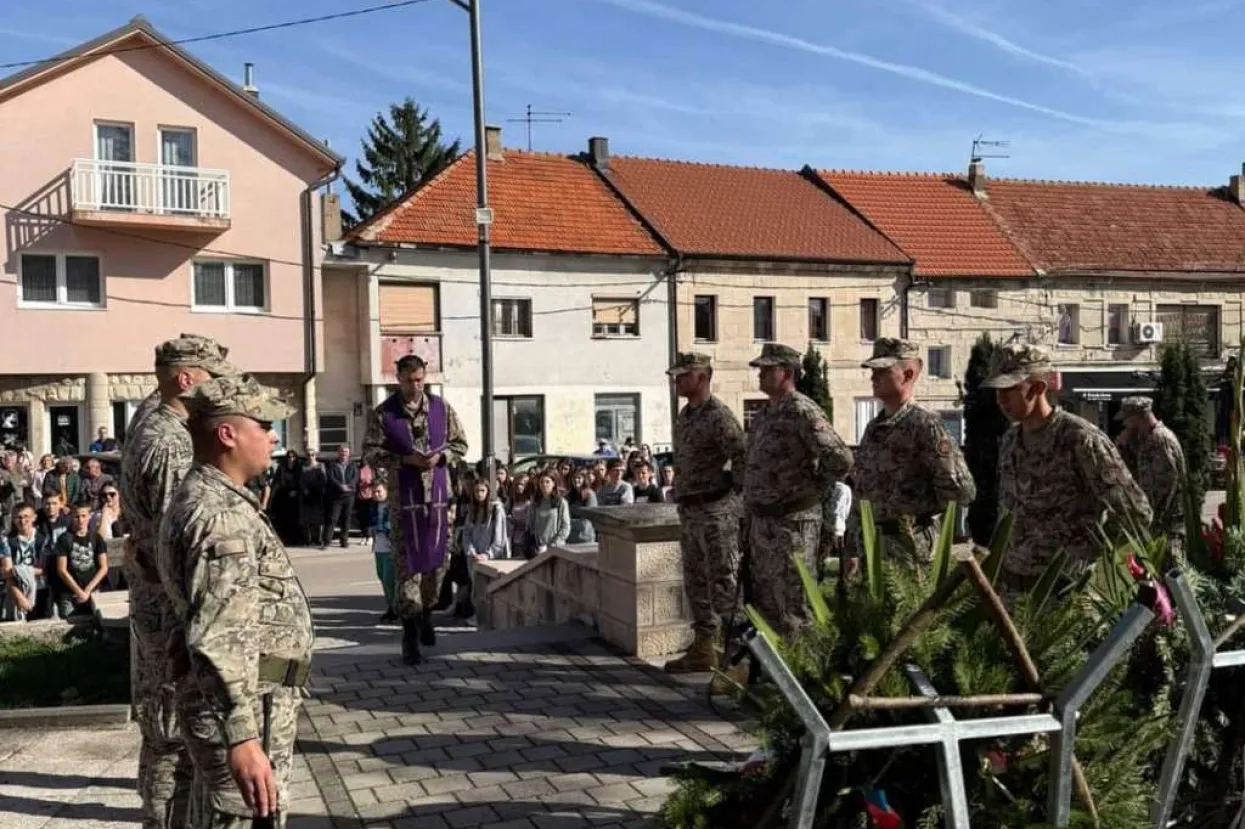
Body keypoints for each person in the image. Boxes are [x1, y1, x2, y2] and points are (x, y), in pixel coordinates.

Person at [157, 374, 310, 829]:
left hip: (245, 705)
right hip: (245, 712)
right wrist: (241, 738)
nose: (273, 435)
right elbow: (218, 635)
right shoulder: (219, 516)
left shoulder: (212, 498)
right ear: (227, 434)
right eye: (262, 424)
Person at [121, 333, 235, 829]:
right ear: (186, 380)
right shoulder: (168, 440)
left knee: (163, 729)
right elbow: (177, 539)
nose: (218, 389)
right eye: (212, 378)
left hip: (154, 601)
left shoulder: (153, 413)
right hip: (169, 610)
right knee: (172, 734)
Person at [982, 343, 1151, 593]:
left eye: (1010, 389)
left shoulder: (1080, 438)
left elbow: (1136, 512)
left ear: (1038, 387)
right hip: (1015, 584)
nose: (1001, 400)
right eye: (997, 391)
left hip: (1066, 587)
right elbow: (1008, 510)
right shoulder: (1010, 440)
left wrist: (1090, 552)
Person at [362, 354, 468, 667]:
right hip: (402, 502)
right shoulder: (384, 413)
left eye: (419, 378)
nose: (415, 385)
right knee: (407, 567)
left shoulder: (441, 408)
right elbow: (370, 452)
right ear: (399, 379)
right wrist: (403, 460)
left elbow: (461, 445)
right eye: (409, 379)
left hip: (436, 501)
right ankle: (409, 635)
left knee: (436, 566)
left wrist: (442, 457)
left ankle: (426, 613)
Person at [743, 343, 853, 636]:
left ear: (788, 372)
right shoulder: (765, 414)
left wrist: (814, 489)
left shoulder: (802, 410)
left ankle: (804, 672)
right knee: (767, 602)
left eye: (768, 369)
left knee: (795, 604)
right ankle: (772, 675)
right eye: (761, 369)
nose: (761, 375)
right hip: (764, 523)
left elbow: (840, 459)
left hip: (794, 524)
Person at [852, 338, 976, 566]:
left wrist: (921, 511)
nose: (873, 377)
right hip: (872, 544)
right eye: (873, 371)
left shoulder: (925, 425)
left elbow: (961, 490)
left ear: (908, 374)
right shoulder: (874, 428)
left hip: (910, 545)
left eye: (882, 371)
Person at [662, 352, 748, 675]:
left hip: (716, 513)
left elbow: (742, 456)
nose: (678, 381)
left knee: (724, 585)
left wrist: (731, 493)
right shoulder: (686, 416)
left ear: (702, 377)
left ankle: (737, 660)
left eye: (684, 375)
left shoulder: (719, 416)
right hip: (691, 511)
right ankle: (704, 648)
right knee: (696, 583)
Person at [1116, 396, 1187, 551]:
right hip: (1161, 522)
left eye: (1127, 420)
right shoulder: (1149, 439)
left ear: (1137, 417)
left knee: (1170, 571)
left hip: (1168, 524)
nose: (1125, 425)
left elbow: (1167, 484)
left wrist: (1155, 519)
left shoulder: (1159, 440)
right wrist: (1123, 446)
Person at [54, 502, 109, 618]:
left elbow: (103, 567)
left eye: (84, 516)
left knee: (100, 619)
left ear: (90, 516)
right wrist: (79, 591)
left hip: (93, 590)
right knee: (68, 619)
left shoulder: (96, 538)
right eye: (77, 516)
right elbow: (62, 570)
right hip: (70, 591)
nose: (80, 520)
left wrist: (88, 590)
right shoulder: (64, 539)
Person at [2, 505, 42, 621]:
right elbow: (7, 572)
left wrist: (20, 570)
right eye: (18, 517)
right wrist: (20, 597)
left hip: (40, 586)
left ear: (34, 517)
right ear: (13, 519)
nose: (22, 521)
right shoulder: (7, 541)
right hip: (15, 587)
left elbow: (46, 568)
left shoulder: (42, 538)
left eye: (26, 517)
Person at [322, 445, 358, 549]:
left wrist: (349, 486)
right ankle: (327, 541)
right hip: (336, 495)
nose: (344, 453)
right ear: (338, 453)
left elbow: (355, 477)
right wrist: (340, 486)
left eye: (346, 452)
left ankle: (344, 541)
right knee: (332, 518)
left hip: (349, 495)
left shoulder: (353, 465)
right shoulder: (332, 465)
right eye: (342, 451)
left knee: (346, 519)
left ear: (349, 453)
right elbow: (331, 478)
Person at [372, 483, 397, 623]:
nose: (377, 494)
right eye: (374, 492)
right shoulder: (374, 507)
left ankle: (394, 608)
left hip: (389, 547)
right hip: (378, 547)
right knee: (381, 576)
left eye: (379, 491)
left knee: (389, 579)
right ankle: (390, 606)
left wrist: (384, 529)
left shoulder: (392, 506)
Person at [528, 472, 570, 556]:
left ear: (553, 483)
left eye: (547, 481)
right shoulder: (535, 502)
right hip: (539, 548)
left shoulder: (561, 502)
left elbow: (565, 526)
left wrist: (555, 543)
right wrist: (537, 543)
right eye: (541, 482)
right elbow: (531, 524)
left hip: (557, 547)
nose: (544, 484)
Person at [270, 450, 304, 546]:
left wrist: (296, 491)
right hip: (283, 496)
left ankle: (296, 540)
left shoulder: (299, 468)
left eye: (293, 457)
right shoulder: (282, 468)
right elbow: (277, 482)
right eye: (289, 457)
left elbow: (301, 481)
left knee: (294, 519)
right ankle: (285, 540)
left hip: (295, 497)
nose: (291, 459)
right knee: (283, 519)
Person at [301, 454, 328, 548]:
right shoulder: (304, 466)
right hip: (307, 494)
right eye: (308, 455)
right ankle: (308, 539)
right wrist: (304, 489)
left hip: (318, 494)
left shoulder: (321, 466)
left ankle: (319, 539)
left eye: (312, 454)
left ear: (315, 455)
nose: (310, 456)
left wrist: (320, 490)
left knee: (319, 518)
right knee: (307, 518)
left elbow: (324, 480)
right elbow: (301, 480)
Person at [566, 471, 597, 545]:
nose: (576, 480)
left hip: (585, 537)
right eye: (574, 478)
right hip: (570, 538)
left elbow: (586, 523)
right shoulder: (569, 496)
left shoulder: (590, 495)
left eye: (579, 478)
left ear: (584, 479)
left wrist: (566, 522)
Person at [355, 461, 376, 546]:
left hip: (371, 497)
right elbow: (355, 481)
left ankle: (370, 536)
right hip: (360, 497)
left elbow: (377, 480)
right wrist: (360, 484)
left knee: (369, 517)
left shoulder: (373, 469)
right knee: (362, 517)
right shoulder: (358, 469)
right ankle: (364, 536)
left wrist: (371, 483)